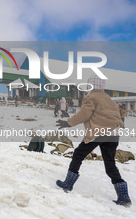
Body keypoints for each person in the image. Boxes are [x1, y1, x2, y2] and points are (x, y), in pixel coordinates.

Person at [55, 75, 131, 206]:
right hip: (114, 133)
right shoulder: (109, 99)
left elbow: (84, 114)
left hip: (98, 133)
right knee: (110, 164)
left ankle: (68, 184)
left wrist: (67, 123)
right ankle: (124, 196)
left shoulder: (90, 97)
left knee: (78, 154)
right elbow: (116, 116)